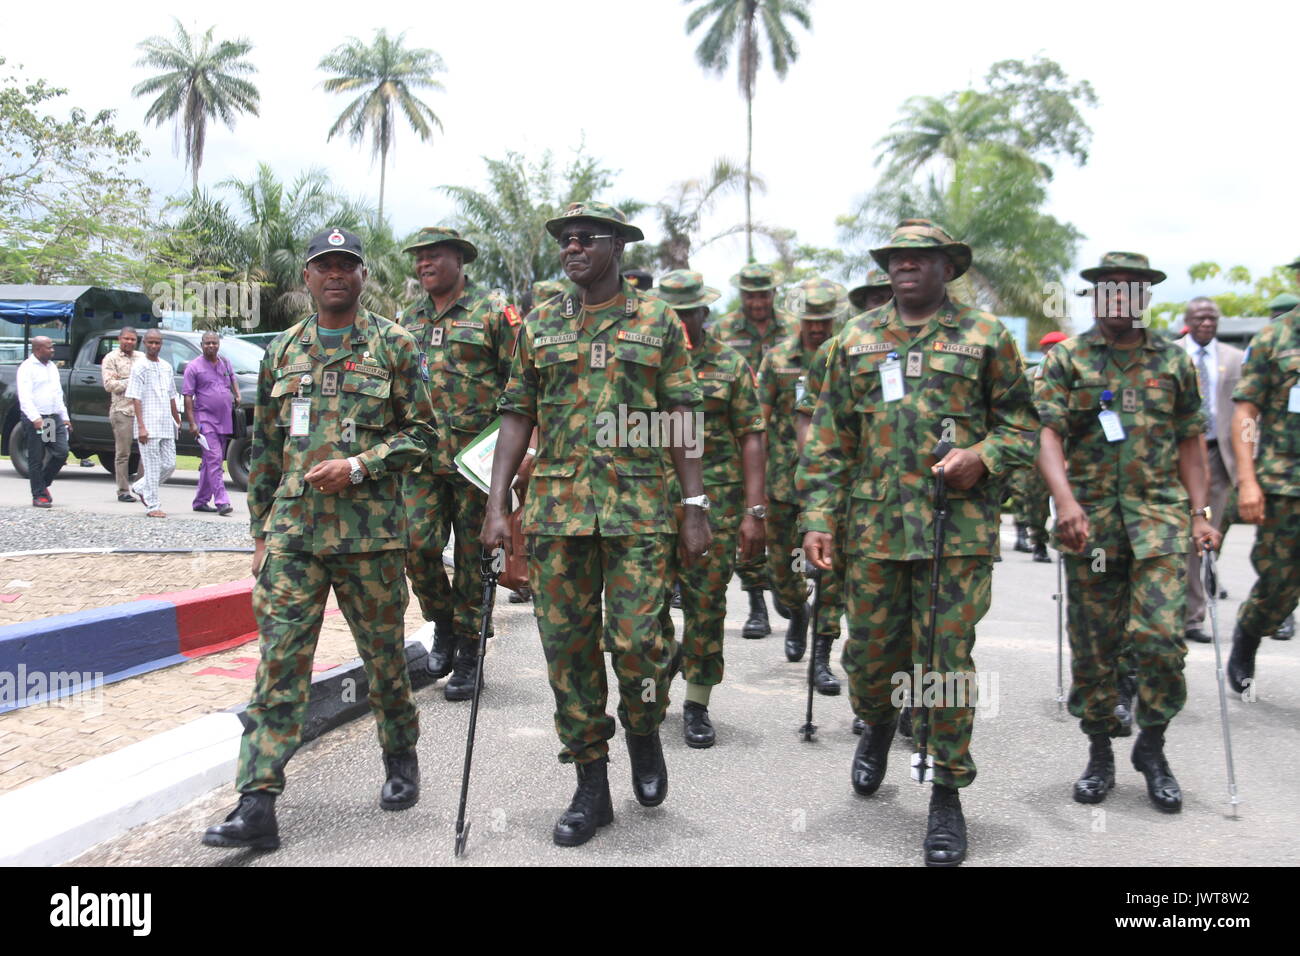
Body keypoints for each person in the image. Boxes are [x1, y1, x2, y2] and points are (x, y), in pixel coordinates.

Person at [799, 219, 1037, 867]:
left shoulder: (986, 337)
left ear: (945, 267)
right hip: (873, 531)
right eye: (896, 257)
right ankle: (876, 724)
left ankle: (946, 793)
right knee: (872, 658)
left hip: (952, 532)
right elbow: (826, 440)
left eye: (919, 257)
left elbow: (1023, 427)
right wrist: (818, 517)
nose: (905, 265)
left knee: (944, 664)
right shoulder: (852, 341)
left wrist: (981, 455)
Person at [481, 200, 709, 848]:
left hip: (638, 513)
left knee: (639, 644)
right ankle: (590, 783)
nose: (573, 248)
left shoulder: (658, 322)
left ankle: (642, 727)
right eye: (566, 240)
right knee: (569, 654)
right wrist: (497, 505)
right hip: (558, 516)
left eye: (586, 239)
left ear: (617, 246)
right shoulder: (540, 324)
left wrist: (695, 507)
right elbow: (516, 414)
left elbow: (683, 415)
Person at [203, 227, 436, 851]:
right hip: (294, 537)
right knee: (280, 663)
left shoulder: (394, 344)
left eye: (346, 265)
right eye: (323, 266)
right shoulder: (282, 349)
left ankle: (399, 755)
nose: (335, 274)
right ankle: (257, 803)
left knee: (384, 656)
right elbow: (266, 447)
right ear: (306, 279)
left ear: (362, 276)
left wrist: (360, 466)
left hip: (371, 538)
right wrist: (259, 535)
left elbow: (424, 436)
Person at [1036, 251, 1220, 816]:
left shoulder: (1174, 361)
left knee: (1162, 640)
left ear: (1146, 297)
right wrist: (1064, 502)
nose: (1121, 299)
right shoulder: (1067, 359)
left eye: (1132, 290)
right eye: (1111, 289)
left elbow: (1192, 441)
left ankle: (1153, 748)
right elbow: (1047, 435)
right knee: (1094, 649)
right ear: (1097, 296)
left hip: (1160, 521)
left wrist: (1201, 514)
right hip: (1088, 525)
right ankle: (1099, 753)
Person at [398, 226, 517, 700]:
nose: (425, 264)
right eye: (419, 258)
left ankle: (470, 656)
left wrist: (517, 458)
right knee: (415, 544)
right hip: (422, 460)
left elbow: (521, 385)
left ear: (459, 260)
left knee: (474, 563)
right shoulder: (409, 318)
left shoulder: (493, 312)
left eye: (434, 256)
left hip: (476, 465)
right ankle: (442, 621)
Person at [652, 269, 766, 747]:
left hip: (714, 502)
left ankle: (696, 704)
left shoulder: (731, 365)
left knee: (705, 604)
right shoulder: (641, 360)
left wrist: (755, 511)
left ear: (704, 312)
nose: (679, 321)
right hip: (648, 501)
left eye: (688, 313)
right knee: (643, 604)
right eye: (671, 313)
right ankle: (653, 686)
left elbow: (752, 435)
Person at [759, 277, 842, 688]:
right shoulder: (777, 360)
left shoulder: (844, 354)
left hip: (831, 484)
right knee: (781, 569)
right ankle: (797, 612)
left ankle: (822, 658)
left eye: (824, 320)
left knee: (830, 572)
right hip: (782, 481)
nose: (816, 327)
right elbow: (760, 419)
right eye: (810, 319)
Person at [1227, 269, 1300, 688]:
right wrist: (1248, 479)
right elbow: (1245, 413)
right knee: (1279, 584)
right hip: (1285, 483)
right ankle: (1250, 632)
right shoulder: (1275, 339)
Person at [714, 263, 794, 638]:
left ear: (774, 294)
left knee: (784, 524)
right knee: (747, 519)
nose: (757, 301)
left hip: (788, 443)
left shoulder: (794, 330)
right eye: (750, 295)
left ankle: (784, 581)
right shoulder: (723, 331)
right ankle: (756, 603)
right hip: (741, 443)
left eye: (764, 294)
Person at [1178, 299, 1242, 644]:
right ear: (1187, 321)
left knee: (1204, 535)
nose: (1207, 322)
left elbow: (1246, 411)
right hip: (1174, 456)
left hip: (1218, 457)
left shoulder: (1233, 358)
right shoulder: (1171, 355)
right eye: (1200, 317)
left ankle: (1193, 616)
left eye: (1212, 318)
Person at [1013, 331, 1068, 562]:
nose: (1054, 351)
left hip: (1069, 443)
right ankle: (1038, 541)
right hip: (1038, 443)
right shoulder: (1029, 377)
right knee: (1036, 496)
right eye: (1050, 347)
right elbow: (1017, 410)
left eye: (1059, 347)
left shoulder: (1077, 375)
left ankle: (1067, 542)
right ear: (1044, 350)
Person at [183, 331, 240, 516]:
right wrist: (192, 423)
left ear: (218, 344)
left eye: (214, 343)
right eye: (207, 343)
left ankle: (200, 501)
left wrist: (237, 393)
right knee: (215, 459)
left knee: (210, 461)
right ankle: (222, 501)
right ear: (202, 345)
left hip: (224, 420)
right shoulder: (193, 367)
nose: (211, 346)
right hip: (205, 420)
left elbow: (232, 378)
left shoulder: (225, 362)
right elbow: (188, 397)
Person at [125, 330, 181, 518]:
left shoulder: (166, 366)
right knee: (152, 466)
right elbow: (135, 397)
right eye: (150, 342)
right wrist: (140, 426)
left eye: (157, 343)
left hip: (166, 422)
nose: (154, 346)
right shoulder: (139, 367)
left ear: (161, 344)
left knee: (170, 464)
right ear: (144, 343)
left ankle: (141, 486)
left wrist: (177, 417)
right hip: (148, 423)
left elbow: (172, 394)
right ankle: (152, 506)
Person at [16, 335, 71, 508]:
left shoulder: (52, 367)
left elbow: (57, 394)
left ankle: (43, 483)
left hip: (51, 418)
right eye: (49, 347)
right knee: (36, 457)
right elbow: (24, 397)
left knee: (60, 452)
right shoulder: (27, 368)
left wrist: (65, 417)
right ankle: (38, 495)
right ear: (38, 349)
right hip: (36, 419)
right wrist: (35, 418)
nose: (53, 350)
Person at [101, 327, 143, 502]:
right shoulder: (111, 358)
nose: (129, 342)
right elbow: (110, 385)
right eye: (126, 339)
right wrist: (133, 381)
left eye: (132, 339)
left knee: (146, 452)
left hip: (141, 411)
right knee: (123, 453)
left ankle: (142, 487)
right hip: (122, 411)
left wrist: (124, 381)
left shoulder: (142, 358)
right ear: (120, 339)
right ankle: (123, 490)